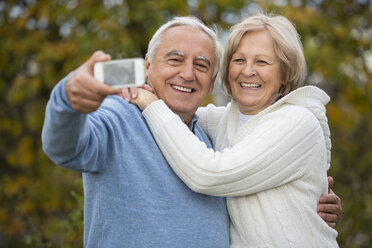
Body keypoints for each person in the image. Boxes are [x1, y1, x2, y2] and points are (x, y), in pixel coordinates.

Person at [42, 16, 340, 247]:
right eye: (174, 59)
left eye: (201, 64)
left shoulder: (208, 134)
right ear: (147, 66)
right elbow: (66, 148)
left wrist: (304, 198)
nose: (187, 73)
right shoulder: (121, 117)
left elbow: (215, 172)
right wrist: (68, 101)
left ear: (211, 82)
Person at [129, 14, 339, 247]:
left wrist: (149, 103)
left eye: (262, 62)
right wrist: (130, 87)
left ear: (285, 72)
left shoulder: (297, 122)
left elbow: (209, 174)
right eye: (239, 60)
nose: (248, 71)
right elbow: (176, 108)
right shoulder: (222, 121)